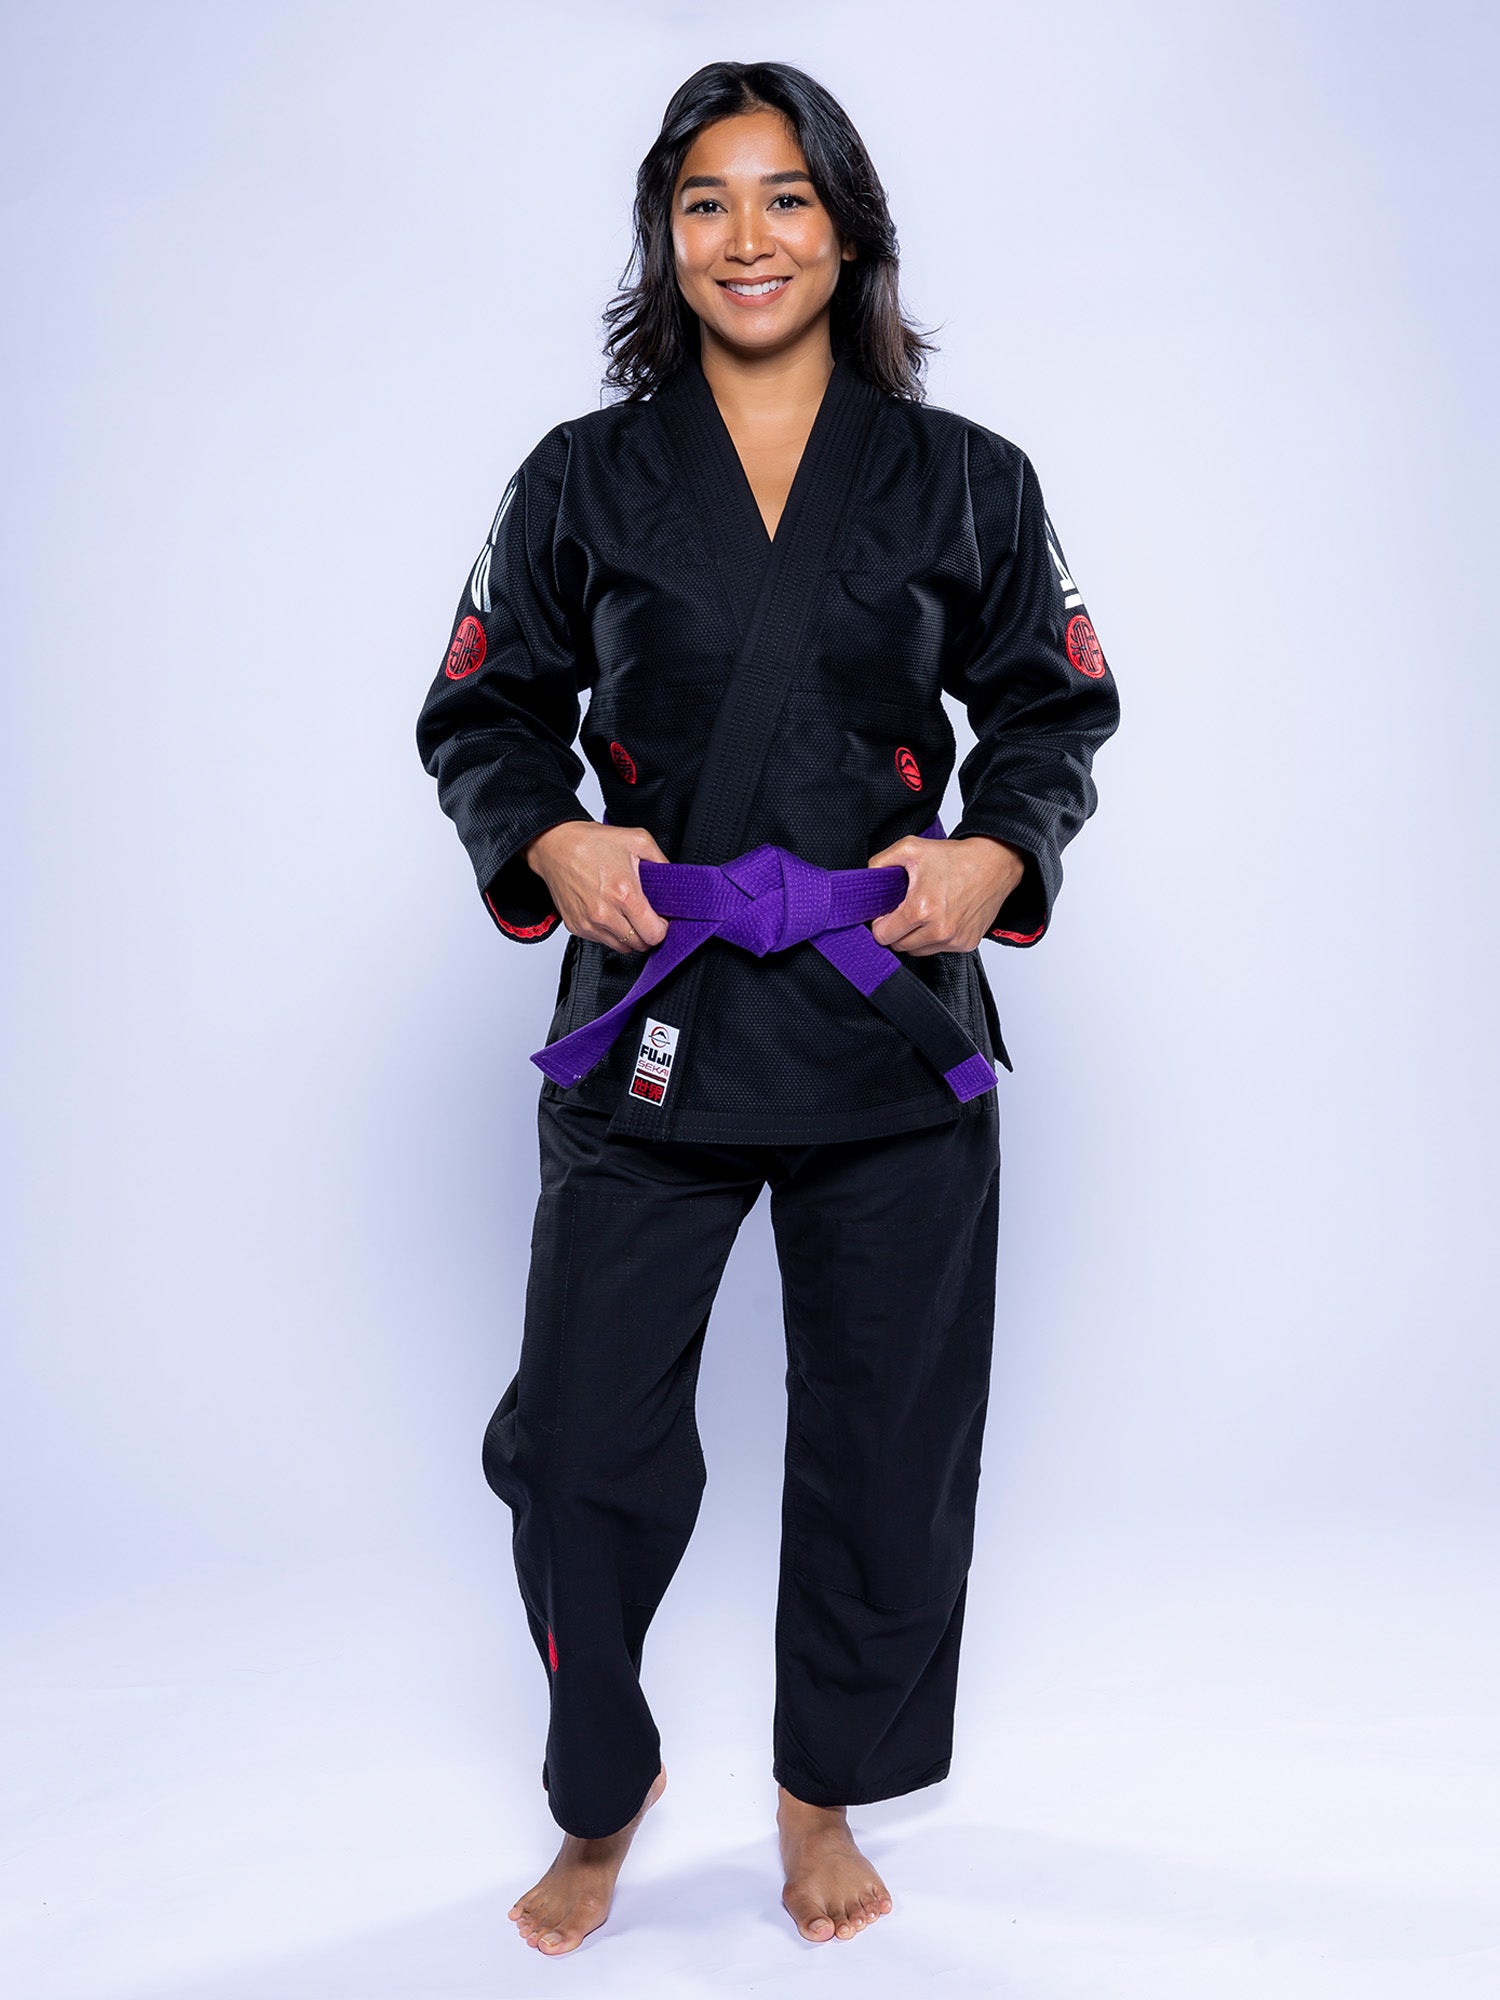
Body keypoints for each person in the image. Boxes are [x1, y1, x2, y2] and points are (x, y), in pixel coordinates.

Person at [415, 59, 1119, 1956]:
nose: (749, 237)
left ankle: (821, 1792)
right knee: (576, 1445)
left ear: (849, 228)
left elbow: (1053, 708)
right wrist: (550, 836)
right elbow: (482, 708)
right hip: (656, 1010)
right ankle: (602, 1784)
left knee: (891, 1441)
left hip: (890, 1023)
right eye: (707, 201)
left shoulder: (968, 476)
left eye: (787, 196)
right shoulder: (580, 477)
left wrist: (998, 851)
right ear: (666, 234)